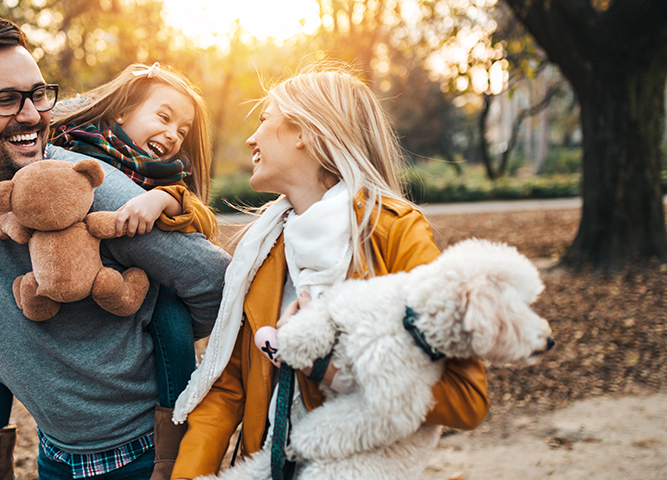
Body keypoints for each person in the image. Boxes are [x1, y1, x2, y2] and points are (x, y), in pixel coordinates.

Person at [0, 17, 231, 480]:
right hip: (55, 456)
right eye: (4, 100)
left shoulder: (100, 192)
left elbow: (214, 281)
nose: (30, 114)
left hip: (145, 457)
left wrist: (149, 326)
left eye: (38, 95)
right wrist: (19, 339)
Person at [169, 63, 490, 479]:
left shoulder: (393, 232)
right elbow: (229, 387)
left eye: (264, 120)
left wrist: (330, 369)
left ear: (303, 132)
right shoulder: (264, 247)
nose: (251, 137)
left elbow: (467, 399)